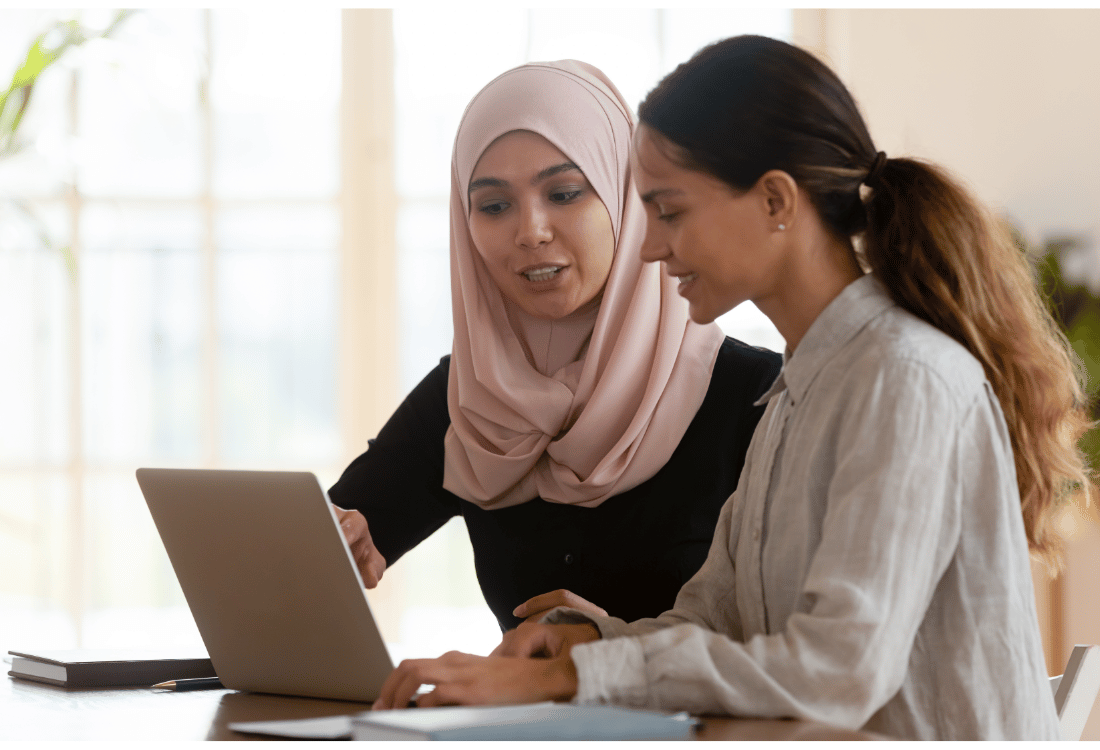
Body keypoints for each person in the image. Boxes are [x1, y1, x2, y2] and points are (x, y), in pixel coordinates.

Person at [370, 36, 1094, 741]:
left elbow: (840, 669)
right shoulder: (795, 391)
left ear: (776, 201)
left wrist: (569, 681)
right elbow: (715, 618)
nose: (649, 246)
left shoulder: (903, 380)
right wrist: (585, 646)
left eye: (670, 211)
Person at [328, 60, 781, 632]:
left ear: (629, 199)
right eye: (494, 206)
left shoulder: (760, 398)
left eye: (565, 193)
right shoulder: (470, 395)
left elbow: (796, 643)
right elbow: (337, 532)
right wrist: (336, 541)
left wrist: (608, 651)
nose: (531, 231)